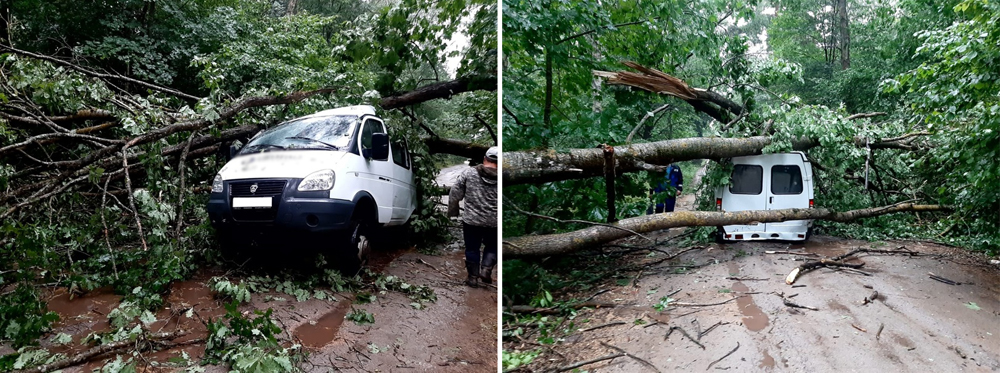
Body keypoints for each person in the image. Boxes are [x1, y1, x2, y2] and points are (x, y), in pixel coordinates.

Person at [448, 146, 498, 287]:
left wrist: (453, 212)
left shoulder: (469, 174)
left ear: (484, 159)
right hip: (495, 222)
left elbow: (455, 193)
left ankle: (473, 278)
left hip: (471, 221)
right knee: (493, 246)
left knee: (472, 248)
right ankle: (486, 270)